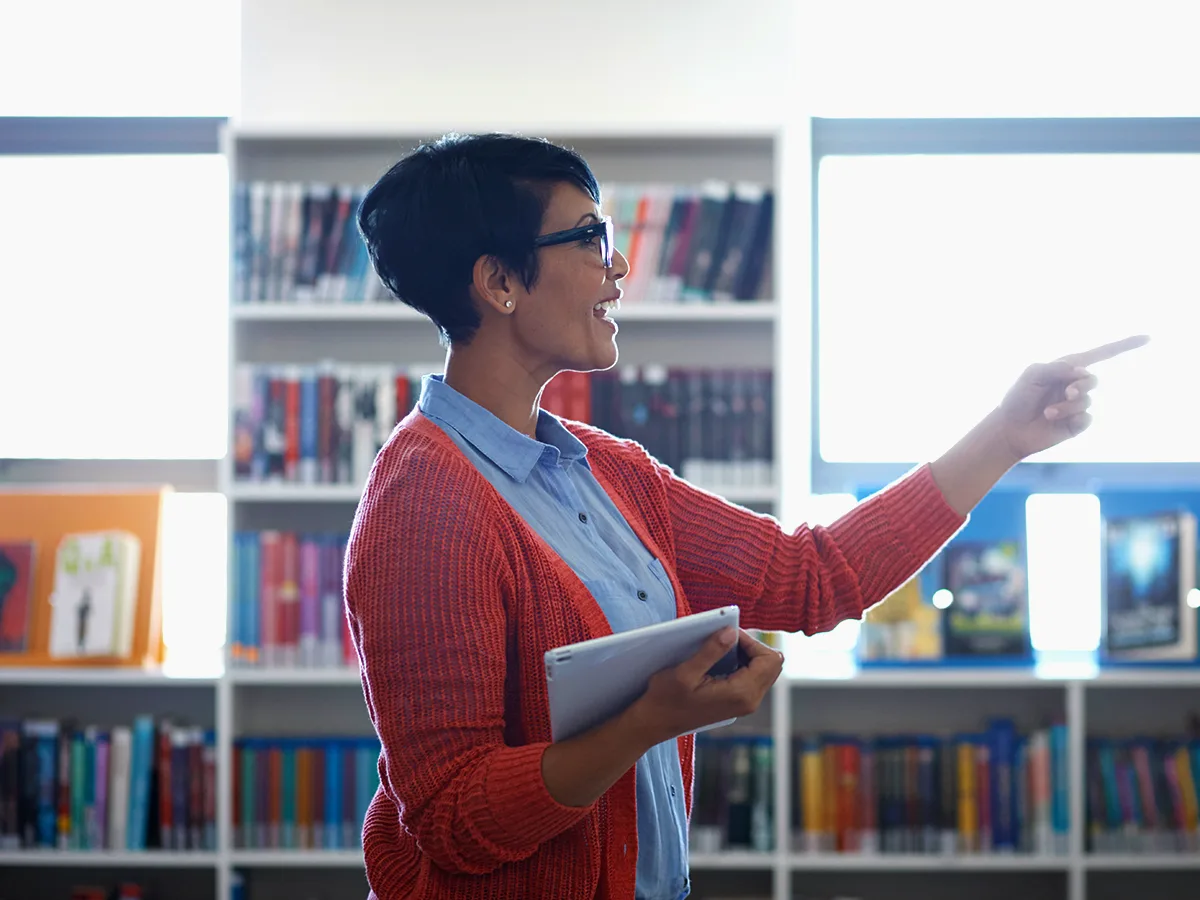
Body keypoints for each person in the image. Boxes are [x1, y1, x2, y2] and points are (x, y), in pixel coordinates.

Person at [343, 132, 1148, 900]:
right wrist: (651, 720)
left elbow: (812, 578)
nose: (618, 265)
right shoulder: (424, 503)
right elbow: (452, 819)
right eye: (590, 238)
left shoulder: (611, 471)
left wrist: (1007, 435)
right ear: (499, 282)